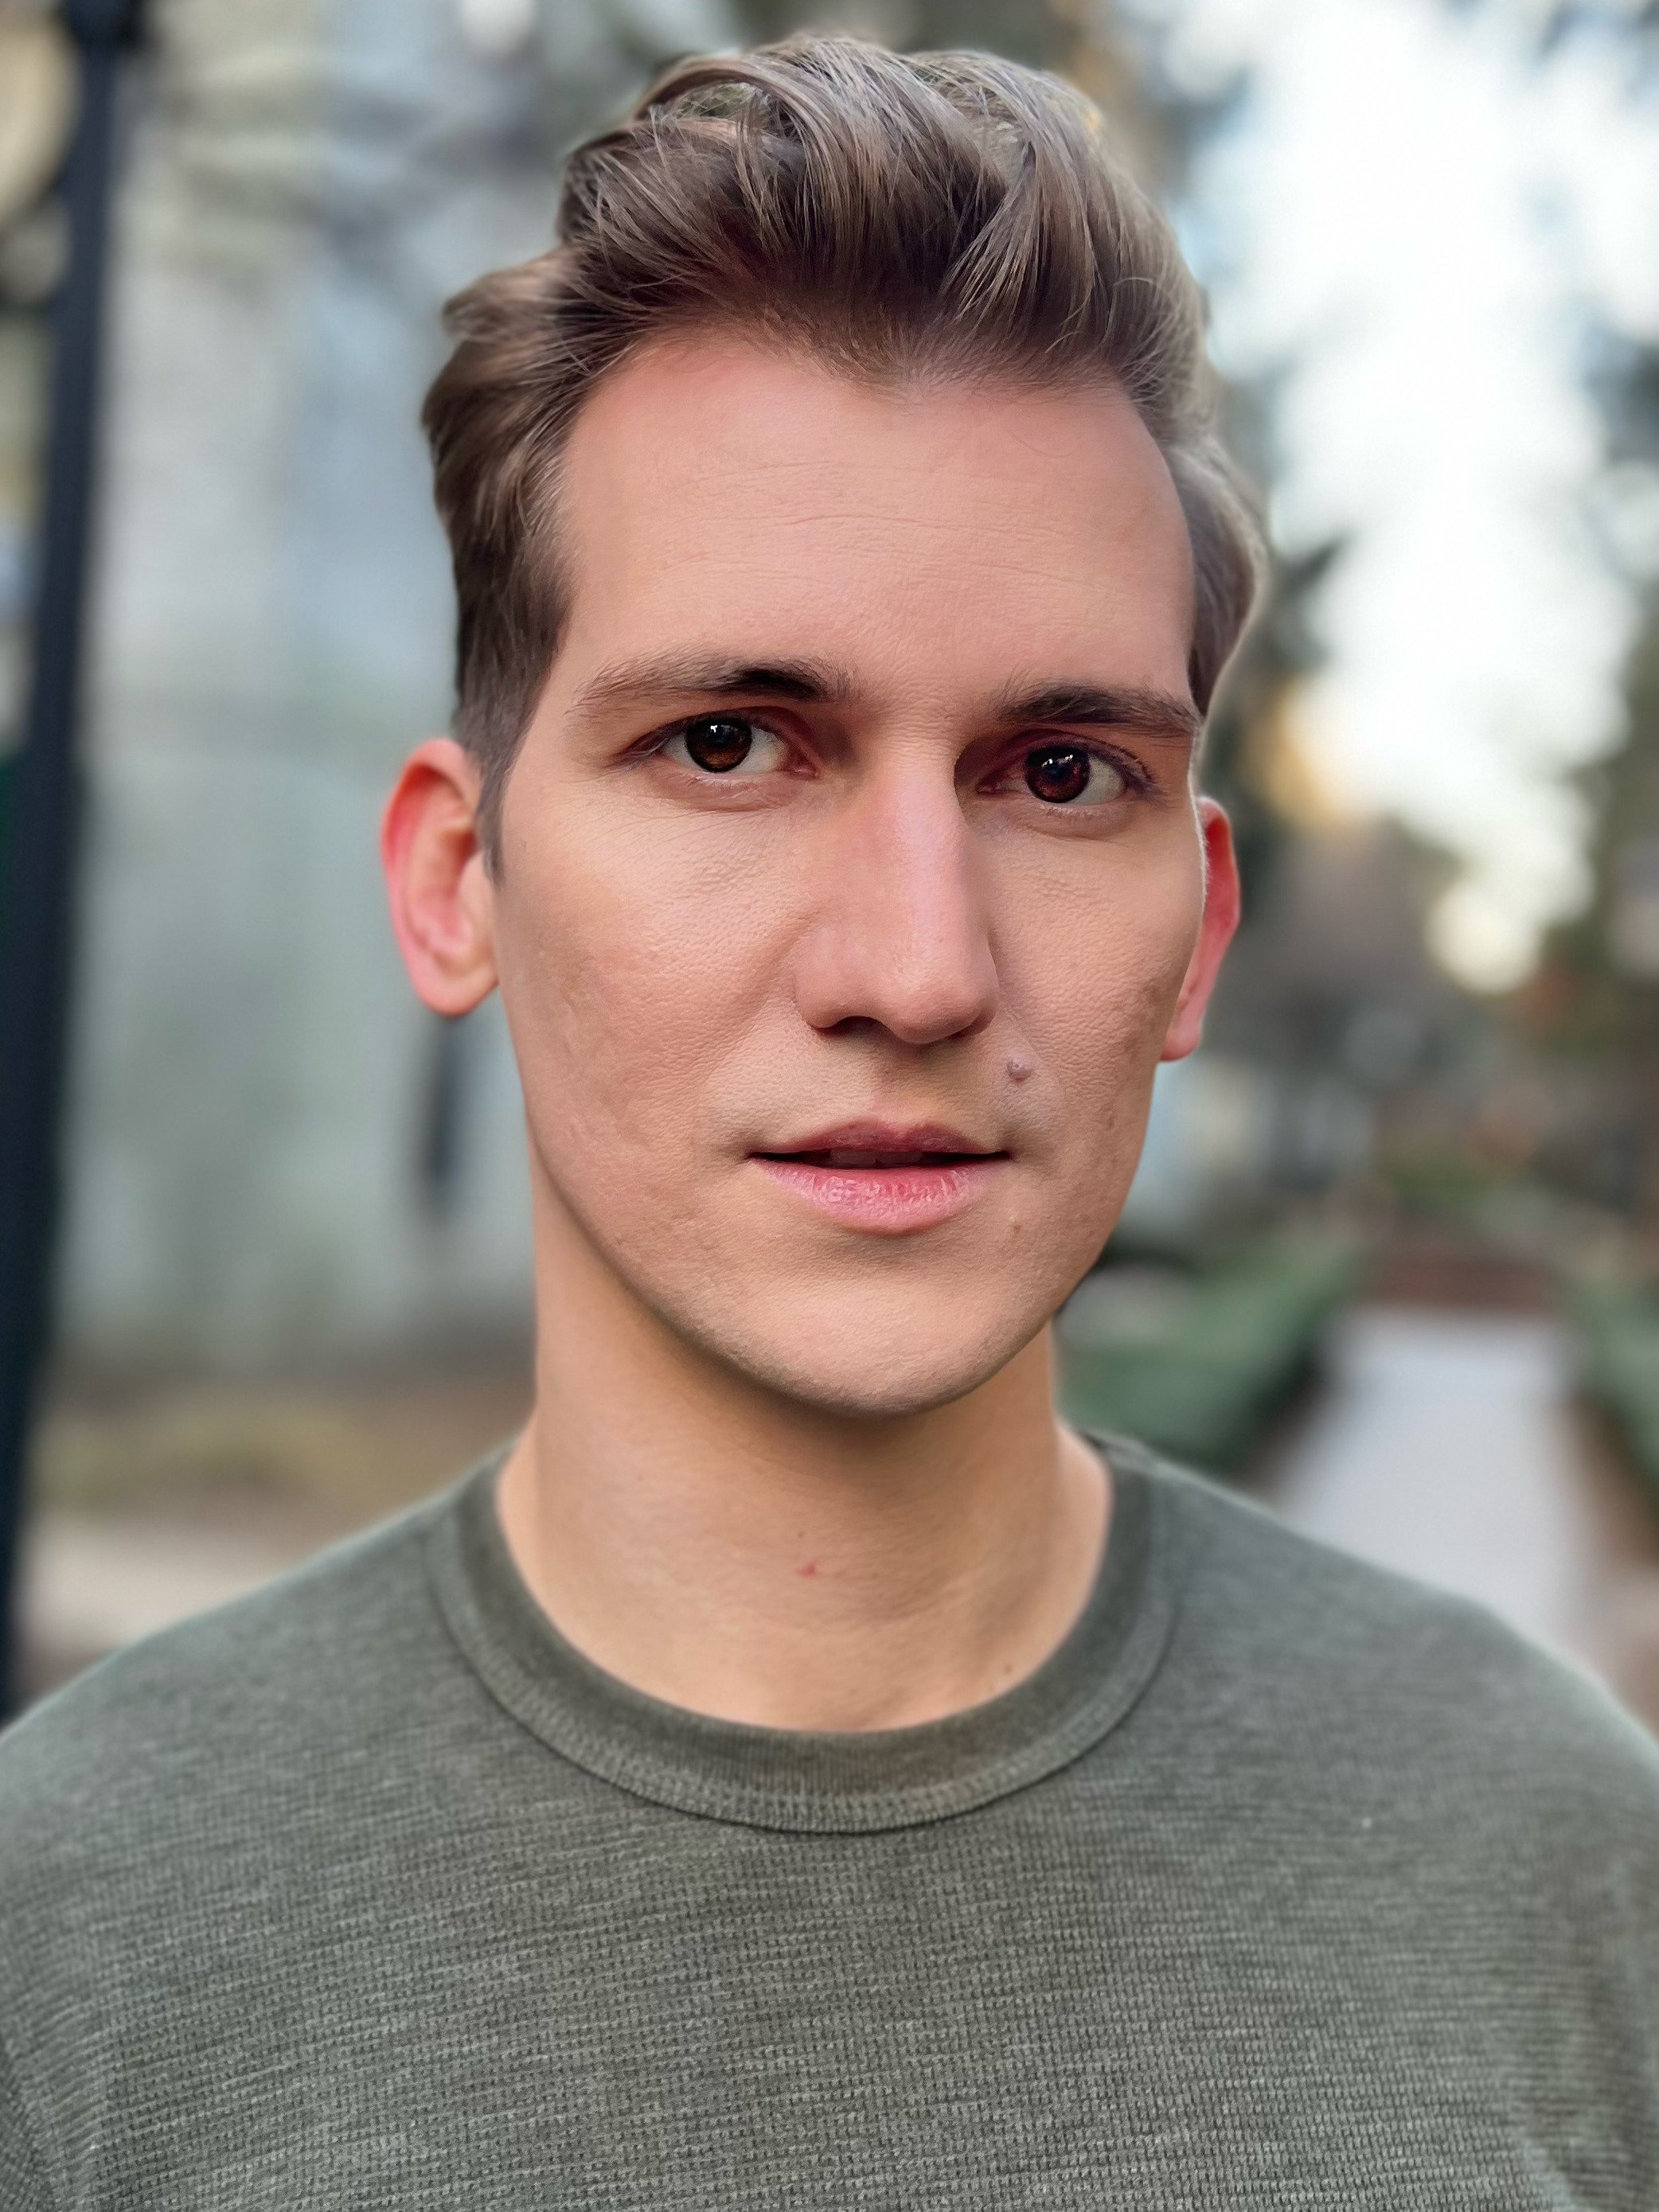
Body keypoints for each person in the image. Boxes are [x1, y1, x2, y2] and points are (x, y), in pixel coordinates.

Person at [2, 33, 1656, 2208]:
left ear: (1199, 933)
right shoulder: (70, 1926)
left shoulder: (1568, 1872)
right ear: (457, 880)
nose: (916, 966)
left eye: (1059, 775)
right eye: (727, 745)